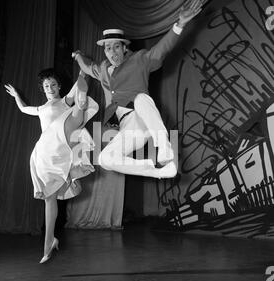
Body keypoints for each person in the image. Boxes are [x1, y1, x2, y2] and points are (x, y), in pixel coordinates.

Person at [72, 0, 203, 179]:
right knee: (105, 159)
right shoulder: (103, 69)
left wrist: (180, 24)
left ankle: (164, 148)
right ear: (105, 51)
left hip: (143, 116)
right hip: (128, 128)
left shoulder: (139, 60)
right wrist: (78, 56)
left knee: (141, 98)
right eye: (108, 48)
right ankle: (158, 171)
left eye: (116, 47)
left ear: (125, 48)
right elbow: (88, 67)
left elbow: (160, 50)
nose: (113, 52)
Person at [5, 69, 99, 263]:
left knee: (72, 118)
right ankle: (49, 241)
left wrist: (83, 70)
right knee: (50, 198)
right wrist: (16, 96)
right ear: (43, 89)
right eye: (47, 86)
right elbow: (23, 109)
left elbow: (78, 85)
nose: (50, 88)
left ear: (59, 86)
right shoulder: (40, 109)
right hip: (46, 153)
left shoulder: (64, 101)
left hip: (62, 143)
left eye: (53, 85)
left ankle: (80, 106)